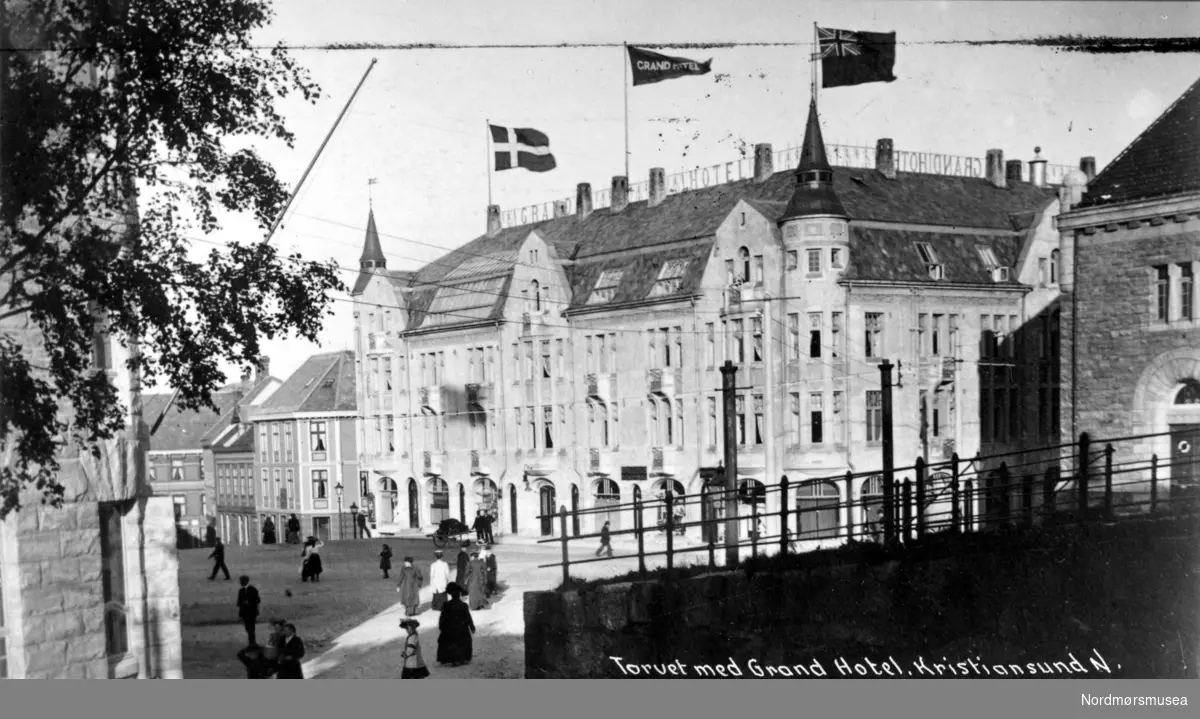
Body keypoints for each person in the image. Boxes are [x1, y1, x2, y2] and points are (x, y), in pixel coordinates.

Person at [436, 583, 475, 667]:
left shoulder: (446, 605)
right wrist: (472, 626)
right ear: (459, 594)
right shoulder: (464, 605)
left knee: (449, 642)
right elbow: (468, 617)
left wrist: (442, 627)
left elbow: (442, 618)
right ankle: (461, 658)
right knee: (461, 642)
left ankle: (450, 659)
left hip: (449, 629)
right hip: (462, 629)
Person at [236, 575, 261, 646]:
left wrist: (249, 602)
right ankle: (252, 642)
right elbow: (239, 603)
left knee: (251, 628)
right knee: (248, 628)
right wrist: (240, 614)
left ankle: (252, 642)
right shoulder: (241, 591)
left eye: (241, 581)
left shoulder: (253, 589)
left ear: (246, 581)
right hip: (245, 613)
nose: (240, 582)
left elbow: (258, 600)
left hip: (251, 612)